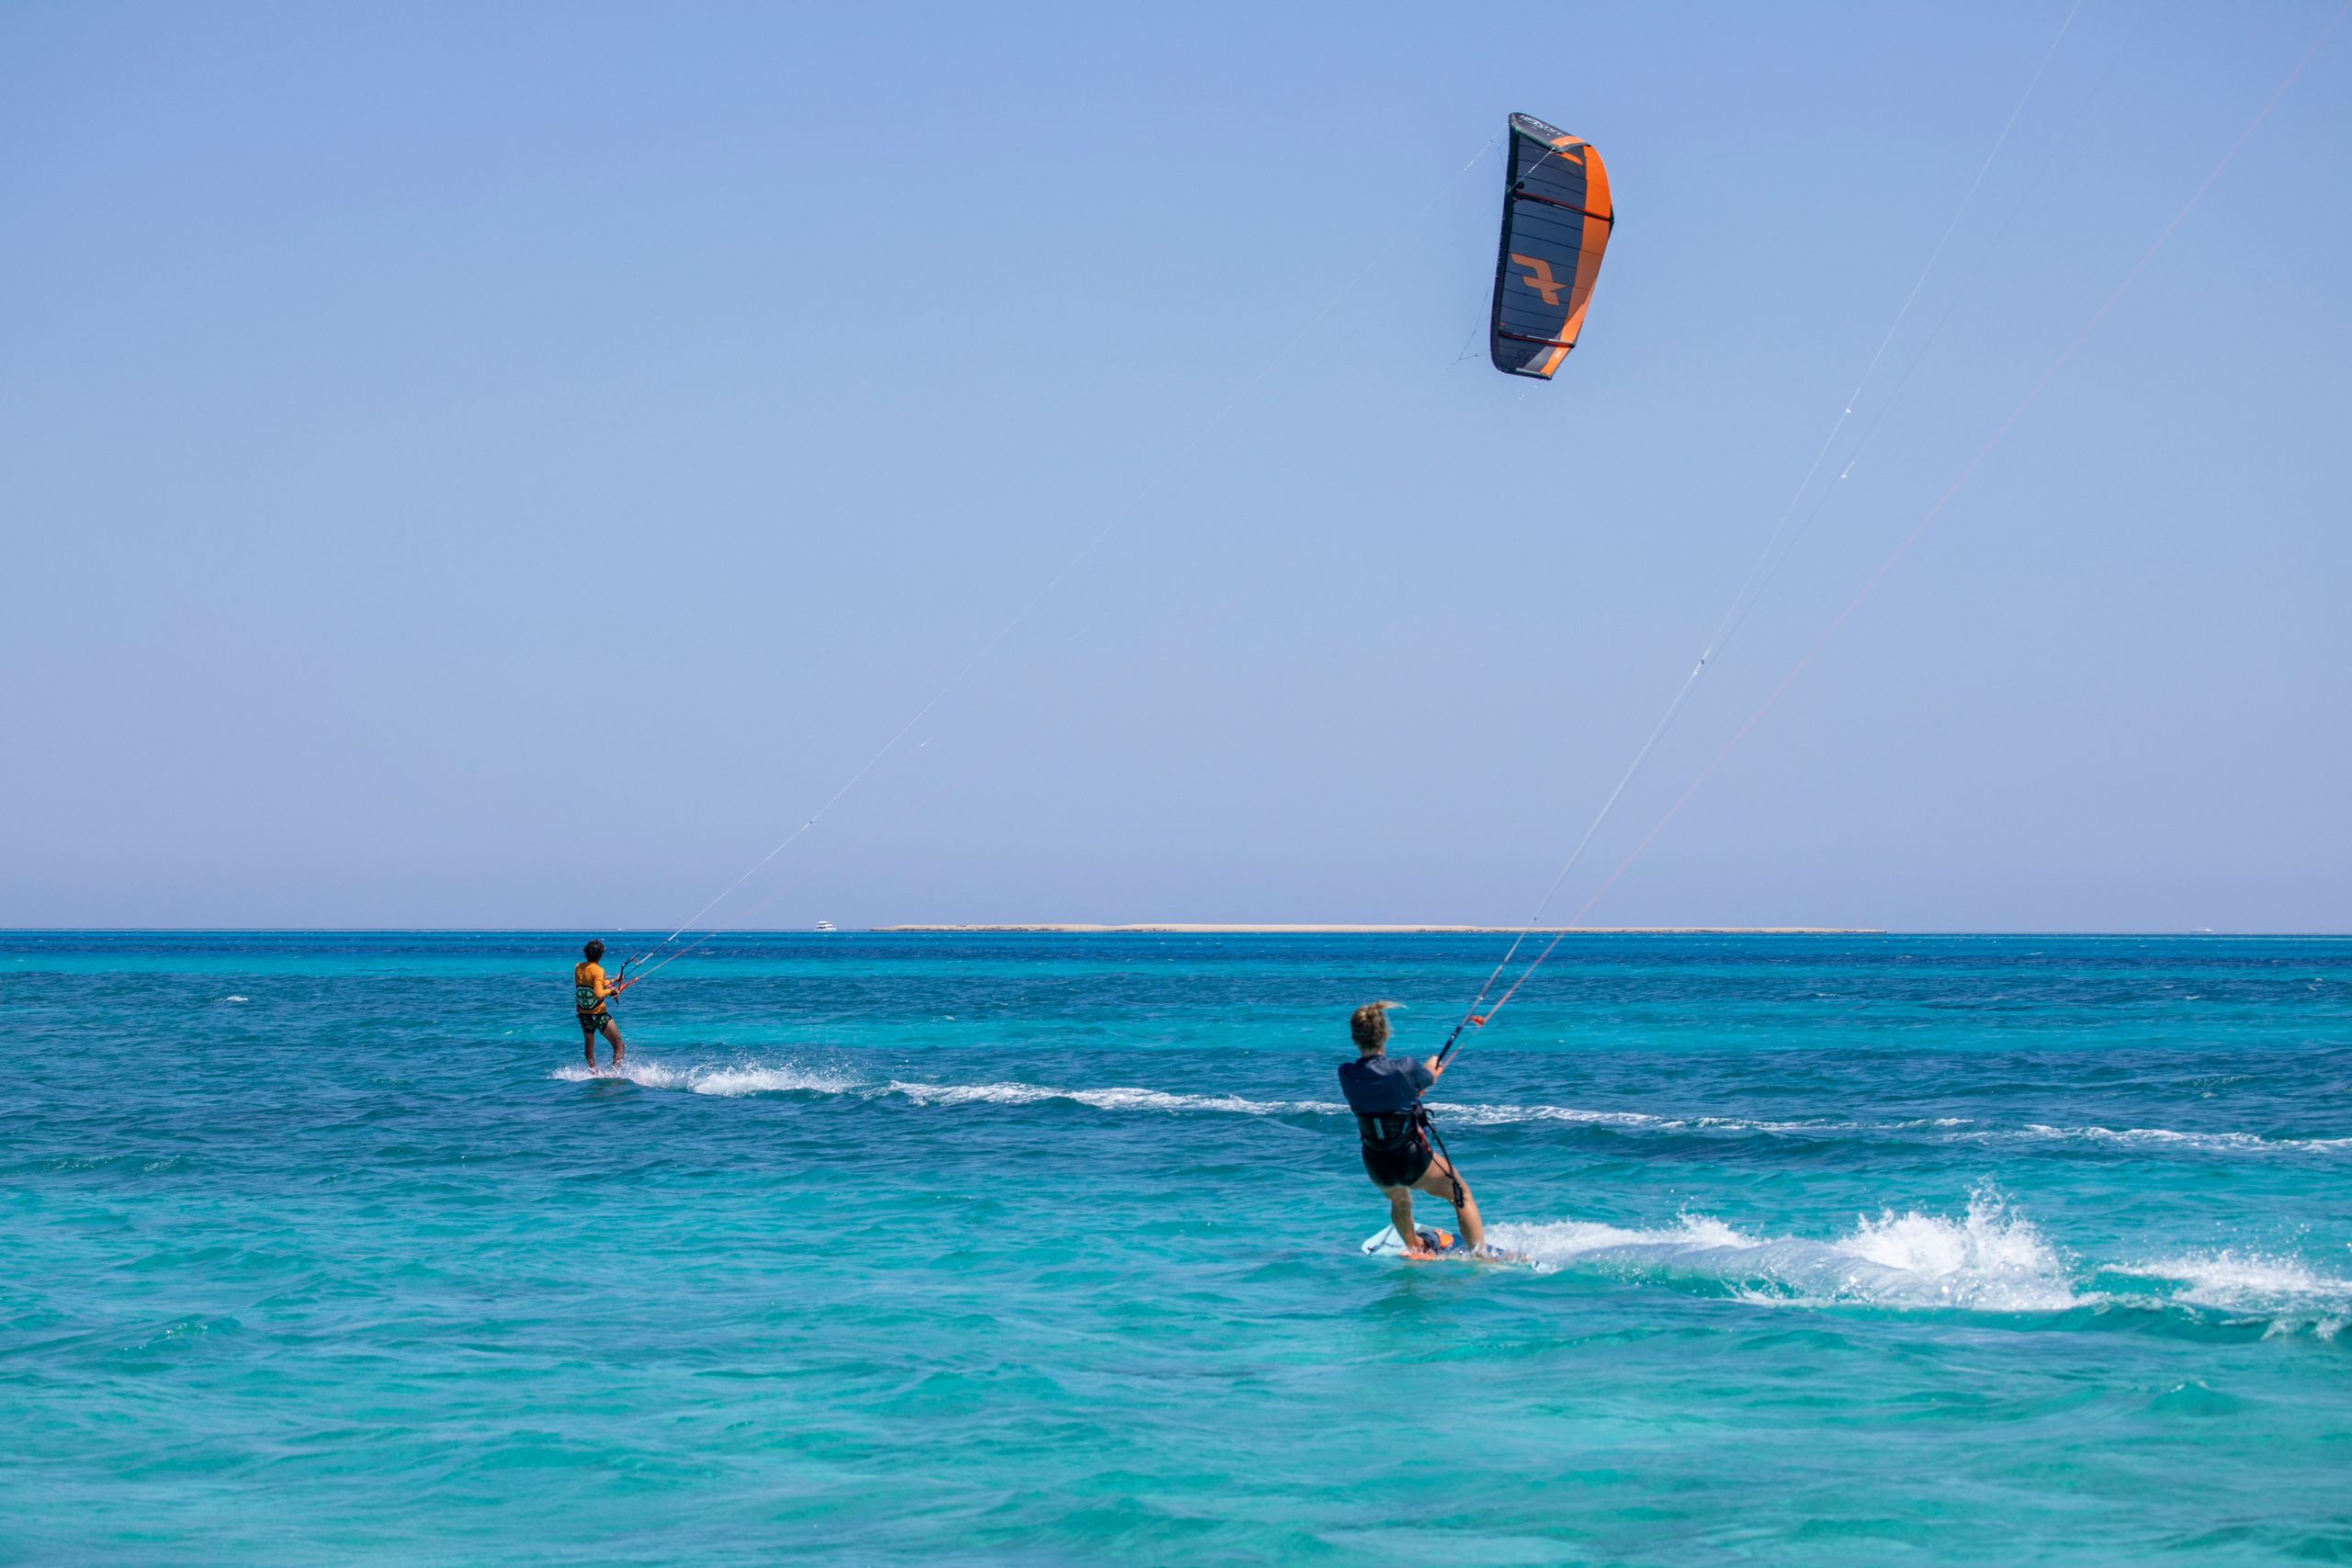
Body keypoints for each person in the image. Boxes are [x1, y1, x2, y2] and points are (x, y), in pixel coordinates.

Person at [1337, 999, 1486, 1258]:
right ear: (1385, 1034)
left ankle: (1415, 1249)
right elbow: (1429, 1075)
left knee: (1400, 1199)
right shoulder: (1405, 1068)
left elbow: (1380, 1089)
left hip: (1376, 1164)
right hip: (1411, 1160)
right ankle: (1481, 1257)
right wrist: (1431, 1064)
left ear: (1354, 1039)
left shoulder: (1346, 1073)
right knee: (1459, 1192)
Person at [573, 939, 628, 1069]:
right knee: (619, 1045)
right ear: (600, 955)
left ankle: (593, 1073)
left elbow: (592, 984)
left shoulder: (578, 967)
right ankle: (615, 1074)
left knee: (589, 1048)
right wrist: (611, 991)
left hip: (583, 1015)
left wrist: (614, 980)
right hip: (598, 1015)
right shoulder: (598, 970)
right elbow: (598, 993)